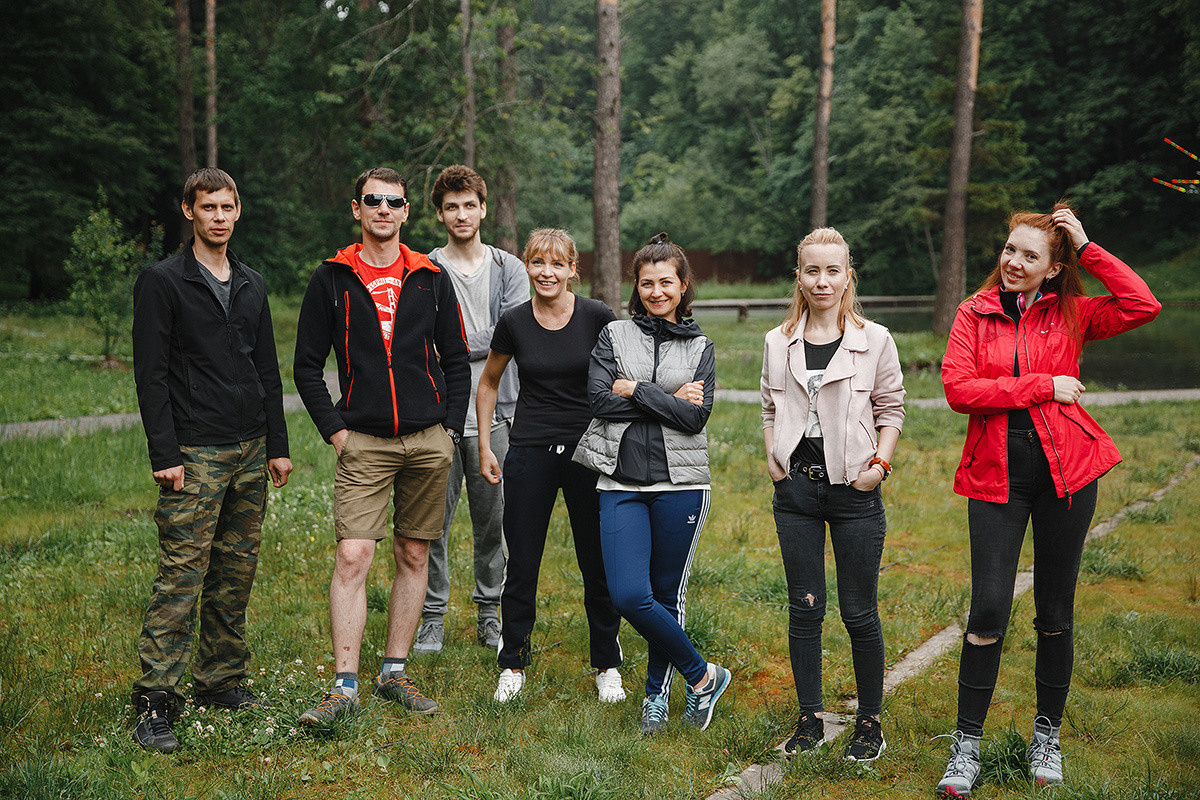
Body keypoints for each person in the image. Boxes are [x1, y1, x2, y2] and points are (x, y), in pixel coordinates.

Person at [935, 204, 1160, 796]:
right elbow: (960, 390)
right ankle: (966, 748)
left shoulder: (1075, 314)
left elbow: (1142, 303)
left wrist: (1087, 246)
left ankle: (1046, 737)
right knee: (988, 610)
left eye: (1031, 256)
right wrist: (1044, 386)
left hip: (1068, 477)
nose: (1013, 262)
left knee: (1055, 613)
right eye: (1010, 250)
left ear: (1053, 269)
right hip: (995, 478)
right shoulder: (973, 314)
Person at [293, 167, 470, 725]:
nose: (384, 210)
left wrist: (451, 430)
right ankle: (343, 685)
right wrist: (336, 430)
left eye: (394, 202)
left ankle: (394, 672)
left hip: (427, 439)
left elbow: (458, 359)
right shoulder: (332, 278)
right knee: (354, 555)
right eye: (374, 201)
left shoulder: (429, 275)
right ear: (357, 208)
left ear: (407, 211)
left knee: (414, 553)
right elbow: (304, 366)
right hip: (363, 440)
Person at [130, 167, 293, 753]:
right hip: (194, 451)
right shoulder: (163, 282)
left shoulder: (251, 284)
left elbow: (267, 371)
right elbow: (150, 376)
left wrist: (277, 444)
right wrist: (165, 453)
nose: (219, 217)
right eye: (208, 208)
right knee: (183, 574)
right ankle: (155, 700)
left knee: (235, 570)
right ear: (189, 212)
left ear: (238, 211)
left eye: (227, 207)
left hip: (250, 448)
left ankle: (220, 680)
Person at [575, 233, 730, 734]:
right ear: (635, 287)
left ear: (684, 286)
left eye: (667, 282)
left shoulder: (702, 346)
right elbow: (599, 401)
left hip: (680, 484)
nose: (657, 291)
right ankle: (704, 676)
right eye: (647, 283)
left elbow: (694, 419)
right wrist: (667, 397)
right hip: (619, 482)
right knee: (626, 594)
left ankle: (655, 699)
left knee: (666, 596)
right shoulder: (614, 337)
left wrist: (638, 389)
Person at [760, 227, 905, 761]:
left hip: (855, 489)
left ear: (848, 276)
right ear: (798, 277)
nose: (822, 280)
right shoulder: (779, 341)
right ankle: (809, 719)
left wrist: (880, 464)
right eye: (812, 270)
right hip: (796, 489)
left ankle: (869, 722)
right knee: (806, 607)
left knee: (858, 611)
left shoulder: (876, 339)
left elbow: (891, 408)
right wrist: (774, 456)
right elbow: (770, 407)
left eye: (833, 270)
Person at [476, 228, 625, 704]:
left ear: (571, 269)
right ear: (527, 267)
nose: (547, 273)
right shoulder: (515, 321)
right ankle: (513, 663)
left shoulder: (597, 316)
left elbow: (625, 376)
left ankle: (607, 664)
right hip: (530, 451)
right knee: (522, 562)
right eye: (538, 263)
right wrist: (484, 446)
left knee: (596, 562)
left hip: (588, 453)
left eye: (557, 264)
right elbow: (488, 383)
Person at [413, 165, 526, 654]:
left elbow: (514, 330)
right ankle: (432, 617)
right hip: (440, 414)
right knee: (431, 522)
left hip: (499, 415)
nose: (462, 214)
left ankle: (489, 614)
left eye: (469, 205)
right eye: (451, 207)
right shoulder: (423, 268)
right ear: (440, 214)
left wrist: (452, 344)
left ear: (483, 208)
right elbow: (420, 341)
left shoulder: (510, 269)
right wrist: (458, 347)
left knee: (493, 523)